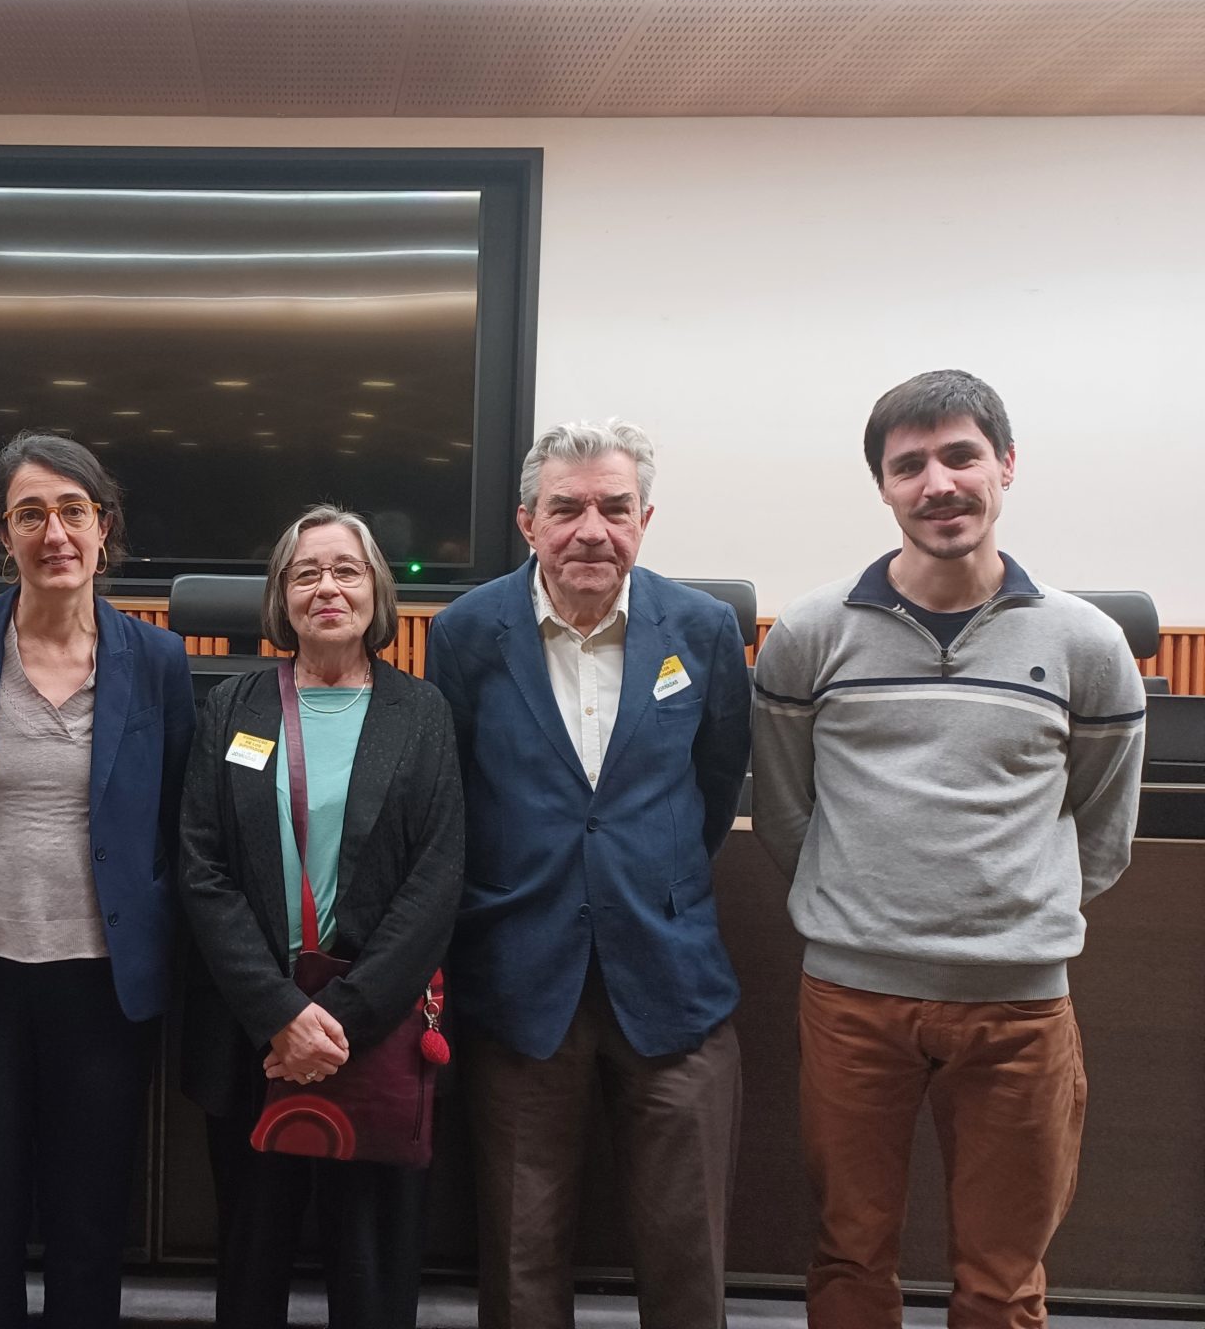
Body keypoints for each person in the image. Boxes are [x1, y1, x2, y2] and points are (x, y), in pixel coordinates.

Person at [751, 370, 1146, 1328]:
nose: (939, 482)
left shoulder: (1086, 644)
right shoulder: (809, 636)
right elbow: (785, 811)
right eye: (910, 465)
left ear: (1004, 467)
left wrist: (1017, 908)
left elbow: (1102, 830)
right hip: (853, 1000)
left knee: (1003, 1278)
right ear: (883, 488)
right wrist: (862, 904)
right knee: (849, 1255)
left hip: (1018, 1010)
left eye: (961, 455)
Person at [425, 419, 751, 1329]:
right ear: (528, 522)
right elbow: (452, 798)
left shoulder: (704, 629)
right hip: (521, 985)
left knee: (689, 1263)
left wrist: (643, 882)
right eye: (566, 508)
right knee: (522, 1265)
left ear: (645, 519)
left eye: (614, 507)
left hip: (674, 981)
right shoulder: (465, 634)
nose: (591, 530)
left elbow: (714, 789)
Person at [0, 432, 195, 1329]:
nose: (54, 532)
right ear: (6, 534)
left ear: (104, 527)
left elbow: (178, 820)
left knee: (89, 1220)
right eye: (31, 514)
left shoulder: (156, 662)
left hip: (102, 987)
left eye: (73, 511)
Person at [179, 505, 465, 1329]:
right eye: (306, 574)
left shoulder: (425, 715)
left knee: (375, 1280)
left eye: (346, 570)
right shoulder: (232, 707)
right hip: (252, 1041)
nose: (327, 588)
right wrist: (280, 1016)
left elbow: (436, 880)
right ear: (282, 597)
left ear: (376, 589)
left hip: (373, 1037)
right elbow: (202, 871)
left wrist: (335, 1021)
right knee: (250, 1268)